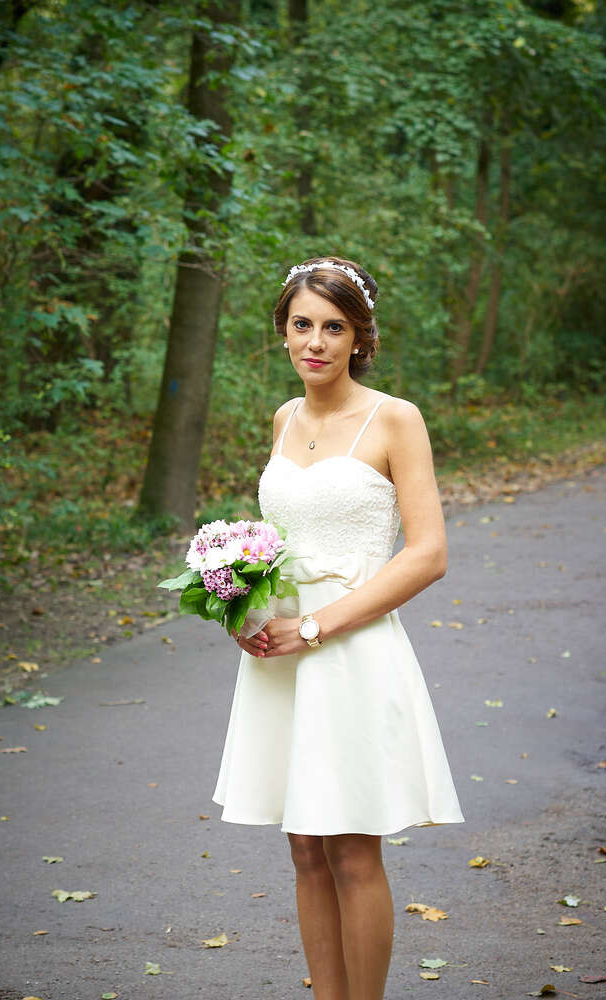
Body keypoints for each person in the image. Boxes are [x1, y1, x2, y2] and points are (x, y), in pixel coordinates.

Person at [213, 256, 464, 1000]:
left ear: (359, 337)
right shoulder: (283, 420)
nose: (315, 342)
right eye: (302, 325)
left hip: (350, 649)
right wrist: (240, 605)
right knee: (304, 850)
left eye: (334, 327)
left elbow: (428, 554)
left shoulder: (395, 418)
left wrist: (316, 627)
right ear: (283, 333)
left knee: (353, 850)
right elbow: (273, 538)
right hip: (279, 655)